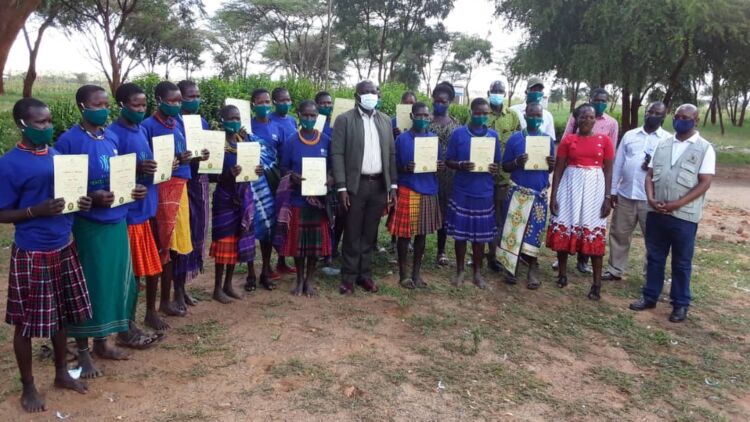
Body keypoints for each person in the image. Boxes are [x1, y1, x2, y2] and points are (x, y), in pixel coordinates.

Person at [0, 98, 93, 412]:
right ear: (22, 125)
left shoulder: (56, 155)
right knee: (25, 323)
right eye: (40, 123)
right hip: (33, 250)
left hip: (62, 244)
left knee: (62, 314)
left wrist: (83, 201)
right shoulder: (9, 163)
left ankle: (61, 373)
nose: (48, 127)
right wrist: (33, 211)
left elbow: (69, 195)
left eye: (50, 121)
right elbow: (1, 213)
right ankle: (28, 386)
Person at [55, 85, 148, 378]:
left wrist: (133, 189)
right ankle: (82, 350)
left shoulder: (109, 137)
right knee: (89, 286)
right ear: (83, 106)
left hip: (116, 221)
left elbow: (118, 175)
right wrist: (91, 198)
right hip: (89, 226)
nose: (104, 109)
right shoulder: (69, 141)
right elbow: (65, 189)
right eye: (98, 104)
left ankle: (102, 342)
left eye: (106, 103)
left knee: (112, 284)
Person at [629, 104, 715, 323]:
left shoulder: (705, 148)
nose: (680, 120)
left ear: (696, 121)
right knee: (655, 257)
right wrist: (650, 197)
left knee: (681, 262)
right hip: (657, 211)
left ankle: (680, 304)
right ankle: (649, 296)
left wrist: (677, 204)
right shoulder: (663, 144)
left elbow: (704, 183)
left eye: (685, 117)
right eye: (677, 116)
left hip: (683, 216)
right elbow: (649, 175)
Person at [109, 83, 169, 332]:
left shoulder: (140, 130)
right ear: (122, 105)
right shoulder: (114, 134)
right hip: (131, 213)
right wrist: (136, 169)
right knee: (134, 272)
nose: (141, 109)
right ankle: (128, 321)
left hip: (149, 207)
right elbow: (112, 173)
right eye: (136, 105)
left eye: (144, 105)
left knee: (154, 265)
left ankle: (150, 312)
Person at [331, 80, 397, 295]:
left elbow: (391, 155)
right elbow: (337, 154)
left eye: (374, 91)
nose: (370, 95)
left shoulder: (385, 121)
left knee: (370, 232)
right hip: (355, 185)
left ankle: (365, 275)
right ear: (357, 95)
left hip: (378, 185)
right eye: (365, 92)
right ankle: (348, 277)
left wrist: (392, 186)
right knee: (352, 231)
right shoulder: (344, 120)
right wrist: (341, 187)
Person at [546, 104, 614, 300]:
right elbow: (558, 169)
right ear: (577, 119)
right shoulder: (569, 140)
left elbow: (608, 170)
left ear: (595, 120)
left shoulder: (605, 141)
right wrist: (554, 195)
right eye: (583, 117)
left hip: (594, 189)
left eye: (591, 117)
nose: (587, 120)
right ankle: (562, 274)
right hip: (570, 187)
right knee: (565, 226)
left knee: (593, 231)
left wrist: (607, 198)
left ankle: (596, 284)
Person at [141, 81, 196, 318]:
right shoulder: (148, 126)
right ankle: (155, 306)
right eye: (171, 101)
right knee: (162, 245)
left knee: (174, 248)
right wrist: (167, 162)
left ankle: (167, 299)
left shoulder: (178, 123)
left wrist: (186, 157)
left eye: (178, 101)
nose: (176, 105)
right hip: (161, 189)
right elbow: (146, 161)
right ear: (159, 100)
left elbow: (183, 151)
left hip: (180, 186)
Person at [604, 101, 670, 281]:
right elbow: (618, 163)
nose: (652, 116)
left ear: (663, 117)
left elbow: (669, 169)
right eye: (650, 112)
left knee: (654, 238)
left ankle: (651, 274)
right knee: (619, 233)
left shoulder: (667, 140)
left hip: (650, 198)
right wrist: (613, 190)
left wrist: (653, 165)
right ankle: (615, 269)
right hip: (626, 194)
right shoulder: (630, 135)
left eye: (657, 113)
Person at [445, 97, 502, 289]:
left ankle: (477, 272)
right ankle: (460, 270)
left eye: (485, 113)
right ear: (471, 112)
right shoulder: (459, 134)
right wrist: (461, 165)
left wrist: (494, 168)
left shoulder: (493, 136)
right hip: (462, 190)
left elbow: (497, 164)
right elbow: (448, 161)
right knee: (460, 235)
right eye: (478, 113)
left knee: (480, 237)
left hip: (484, 191)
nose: (481, 116)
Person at [497, 102, 555, 289]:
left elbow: (550, 169)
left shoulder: (547, 140)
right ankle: (509, 268)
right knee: (512, 231)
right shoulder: (515, 139)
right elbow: (505, 166)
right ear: (525, 115)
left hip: (538, 193)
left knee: (534, 232)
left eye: (539, 116)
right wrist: (516, 162)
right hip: (518, 192)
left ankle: (532, 268)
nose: (535, 119)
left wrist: (551, 163)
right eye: (531, 115)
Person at [562, 88, 619, 274]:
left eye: (603, 100)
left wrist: (608, 195)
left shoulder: (611, 124)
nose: (600, 103)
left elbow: (610, 161)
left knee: (589, 219)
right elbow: (566, 143)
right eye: (597, 100)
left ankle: (583, 260)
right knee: (571, 216)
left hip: (595, 180)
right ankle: (565, 256)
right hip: (574, 177)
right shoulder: (575, 119)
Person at [278, 100, 333, 296]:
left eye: (313, 116)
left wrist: (330, 178)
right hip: (297, 199)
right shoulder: (291, 141)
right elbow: (283, 167)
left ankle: (310, 279)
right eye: (305, 115)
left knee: (314, 245)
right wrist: (292, 176)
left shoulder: (326, 140)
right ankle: (299, 279)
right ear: (299, 115)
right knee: (298, 244)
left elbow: (333, 168)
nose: (309, 119)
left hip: (318, 201)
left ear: (317, 117)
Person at [388, 102, 444, 289]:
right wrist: (405, 168)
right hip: (408, 188)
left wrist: (439, 166)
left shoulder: (433, 139)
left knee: (422, 235)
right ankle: (404, 274)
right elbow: (393, 166)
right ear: (412, 117)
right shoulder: (402, 139)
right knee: (404, 235)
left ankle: (417, 273)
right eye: (419, 116)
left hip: (428, 189)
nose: (422, 119)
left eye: (426, 116)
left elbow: (437, 165)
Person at [209, 105, 262, 303]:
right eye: (230, 118)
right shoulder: (216, 144)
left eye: (237, 118)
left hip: (243, 197)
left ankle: (228, 285)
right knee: (224, 241)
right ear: (222, 120)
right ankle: (216, 288)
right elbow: (211, 175)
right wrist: (227, 174)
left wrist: (258, 171)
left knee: (236, 241)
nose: (235, 122)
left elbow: (252, 167)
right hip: (225, 198)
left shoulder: (244, 141)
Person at [173, 79, 211, 312]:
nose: (194, 100)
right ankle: (176, 290)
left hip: (199, 183)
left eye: (197, 96)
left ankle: (184, 287)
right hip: (180, 185)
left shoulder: (202, 123)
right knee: (181, 236)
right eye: (189, 96)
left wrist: (207, 155)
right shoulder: (172, 124)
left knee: (196, 232)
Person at [246, 88, 283, 291]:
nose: (265, 105)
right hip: (251, 184)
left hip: (272, 183)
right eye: (260, 102)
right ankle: (250, 272)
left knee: (269, 228)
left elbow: (281, 156)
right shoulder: (246, 126)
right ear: (252, 104)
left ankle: (266, 270)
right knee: (251, 227)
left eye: (268, 101)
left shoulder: (278, 126)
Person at [486, 80, 520, 272]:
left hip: (504, 178)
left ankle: (497, 255)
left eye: (501, 91)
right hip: (482, 176)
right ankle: (483, 253)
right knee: (484, 217)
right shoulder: (480, 112)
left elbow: (518, 143)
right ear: (488, 92)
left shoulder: (513, 117)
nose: (497, 94)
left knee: (501, 219)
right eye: (495, 90)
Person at [430, 81, 462, 267]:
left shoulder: (457, 126)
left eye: (444, 101)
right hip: (427, 175)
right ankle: (419, 243)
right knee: (425, 211)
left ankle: (441, 250)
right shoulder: (425, 121)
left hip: (448, 178)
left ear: (450, 102)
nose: (440, 103)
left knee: (443, 213)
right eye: (437, 100)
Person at [269, 86, 298, 276]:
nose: (285, 103)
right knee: (273, 220)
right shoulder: (269, 121)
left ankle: (281, 260)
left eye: (288, 100)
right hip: (272, 175)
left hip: (289, 177)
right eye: (281, 100)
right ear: (274, 102)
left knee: (284, 220)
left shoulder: (293, 121)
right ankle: (267, 264)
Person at [510, 77, 556, 141]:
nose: (536, 92)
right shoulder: (513, 111)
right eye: (533, 89)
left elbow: (550, 140)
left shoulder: (548, 116)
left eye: (539, 90)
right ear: (526, 92)